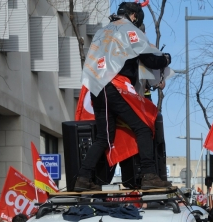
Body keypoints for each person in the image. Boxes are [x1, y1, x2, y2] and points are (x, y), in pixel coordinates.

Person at [73, 1, 171, 192]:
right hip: (114, 86)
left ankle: (83, 178)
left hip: (97, 87)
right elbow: (149, 59)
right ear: (133, 15)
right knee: (143, 127)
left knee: (104, 137)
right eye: (138, 19)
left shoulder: (105, 31)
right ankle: (149, 175)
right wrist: (166, 59)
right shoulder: (128, 30)